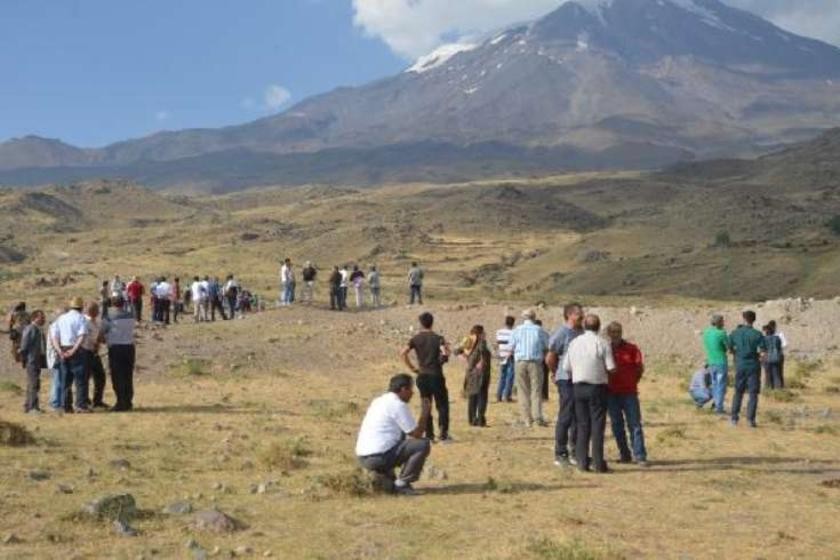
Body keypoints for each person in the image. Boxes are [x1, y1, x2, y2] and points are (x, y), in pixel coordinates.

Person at [356, 374, 432, 496]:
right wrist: (425, 413)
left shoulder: (378, 401)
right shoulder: (397, 404)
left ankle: (387, 479)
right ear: (403, 389)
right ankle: (403, 484)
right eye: (410, 389)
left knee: (399, 436)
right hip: (379, 457)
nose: (412, 393)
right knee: (422, 444)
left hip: (363, 457)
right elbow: (416, 434)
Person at [562, 314, 615, 473]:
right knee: (597, 426)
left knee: (582, 425)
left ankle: (582, 462)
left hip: (578, 387)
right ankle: (598, 463)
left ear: (584, 326)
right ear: (599, 327)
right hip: (597, 387)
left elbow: (566, 367)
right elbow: (611, 367)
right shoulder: (602, 343)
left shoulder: (574, 343)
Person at [402, 312, 452, 442]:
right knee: (442, 405)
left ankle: (429, 434)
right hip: (436, 374)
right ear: (432, 322)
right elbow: (445, 354)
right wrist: (446, 352)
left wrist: (412, 368)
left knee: (426, 405)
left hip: (422, 375)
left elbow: (403, 352)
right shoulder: (438, 338)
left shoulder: (416, 339)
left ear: (421, 323)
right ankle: (443, 434)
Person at [605, 322, 648, 466]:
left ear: (621, 332)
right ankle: (624, 454)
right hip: (611, 393)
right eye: (612, 332)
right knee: (617, 425)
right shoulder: (605, 349)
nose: (615, 334)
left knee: (634, 424)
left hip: (629, 393)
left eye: (618, 331)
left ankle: (640, 455)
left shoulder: (632, 349)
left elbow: (639, 368)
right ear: (608, 334)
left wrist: (632, 381)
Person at [546, 303, 584, 466]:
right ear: (569, 315)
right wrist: (555, 373)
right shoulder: (562, 333)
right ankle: (560, 452)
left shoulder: (582, 332)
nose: (582, 316)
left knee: (578, 416)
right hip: (565, 379)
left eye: (582, 314)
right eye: (578, 314)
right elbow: (550, 357)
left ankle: (575, 450)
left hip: (580, 379)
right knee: (566, 415)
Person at [509, 309, 549, 427]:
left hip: (520, 362)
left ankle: (526, 418)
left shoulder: (517, 330)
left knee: (522, 390)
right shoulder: (539, 330)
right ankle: (537, 418)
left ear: (523, 317)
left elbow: (511, 347)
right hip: (535, 363)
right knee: (536, 390)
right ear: (534, 318)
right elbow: (547, 345)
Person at [729, 310, 767, 428]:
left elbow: (729, 347)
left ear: (743, 319)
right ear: (754, 320)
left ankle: (734, 418)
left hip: (740, 365)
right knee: (753, 393)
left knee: (738, 392)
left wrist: (736, 354)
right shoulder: (757, 334)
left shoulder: (735, 333)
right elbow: (763, 352)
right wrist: (759, 359)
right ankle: (751, 419)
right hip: (753, 366)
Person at [53, 297, 90, 413]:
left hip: (63, 348)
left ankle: (66, 405)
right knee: (80, 380)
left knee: (65, 379)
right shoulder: (81, 318)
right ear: (81, 307)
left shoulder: (61, 318)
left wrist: (59, 351)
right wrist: (74, 350)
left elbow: (55, 337)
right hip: (77, 350)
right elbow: (82, 336)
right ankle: (80, 405)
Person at [102, 295, 136, 412]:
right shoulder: (131, 315)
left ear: (112, 304)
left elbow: (102, 331)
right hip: (129, 347)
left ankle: (120, 401)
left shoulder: (109, 317)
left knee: (117, 376)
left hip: (116, 348)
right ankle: (128, 401)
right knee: (128, 375)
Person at [455, 325, 492, 427]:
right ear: (480, 334)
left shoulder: (469, 342)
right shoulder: (481, 342)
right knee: (482, 397)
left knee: (472, 397)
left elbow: (456, 351)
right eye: (483, 333)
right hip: (481, 374)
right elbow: (483, 352)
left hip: (471, 373)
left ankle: (472, 420)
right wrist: (482, 362)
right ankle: (480, 420)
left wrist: (465, 359)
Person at [19, 310, 46, 414]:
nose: (44, 319)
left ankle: (29, 405)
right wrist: (25, 359)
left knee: (33, 383)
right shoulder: (30, 328)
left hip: (37, 360)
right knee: (33, 383)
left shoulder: (38, 329)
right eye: (41, 317)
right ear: (35, 318)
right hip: (32, 360)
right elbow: (24, 345)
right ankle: (32, 408)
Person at [82, 302, 108, 409]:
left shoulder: (97, 322)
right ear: (91, 311)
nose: (98, 312)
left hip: (95, 353)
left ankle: (97, 400)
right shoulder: (84, 322)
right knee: (85, 378)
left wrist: (102, 340)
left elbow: (99, 336)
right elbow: (85, 337)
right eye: (97, 310)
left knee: (100, 377)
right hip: (85, 352)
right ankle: (84, 400)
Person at [702, 314, 730, 415]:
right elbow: (728, 347)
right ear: (719, 322)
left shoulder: (706, 332)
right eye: (722, 321)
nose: (724, 323)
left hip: (711, 361)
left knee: (714, 384)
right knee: (721, 385)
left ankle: (715, 404)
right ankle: (719, 408)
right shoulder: (721, 333)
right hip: (720, 361)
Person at [495, 315, 516, 403]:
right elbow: (514, 344)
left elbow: (497, 343)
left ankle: (499, 395)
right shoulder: (514, 332)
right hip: (510, 355)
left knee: (502, 376)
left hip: (501, 355)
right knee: (510, 376)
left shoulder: (499, 332)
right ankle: (507, 395)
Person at [7, 301, 30, 366]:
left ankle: (18, 357)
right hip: (26, 330)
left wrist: (10, 330)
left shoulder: (14, 314)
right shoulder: (28, 314)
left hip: (17, 331)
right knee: (25, 344)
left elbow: (10, 322)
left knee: (16, 345)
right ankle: (24, 358)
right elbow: (30, 322)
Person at [763, 322, 784, 389]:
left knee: (768, 375)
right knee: (776, 375)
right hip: (776, 358)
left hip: (767, 358)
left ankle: (768, 389)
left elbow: (763, 348)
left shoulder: (764, 339)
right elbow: (780, 347)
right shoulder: (777, 338)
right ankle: (778, 389)